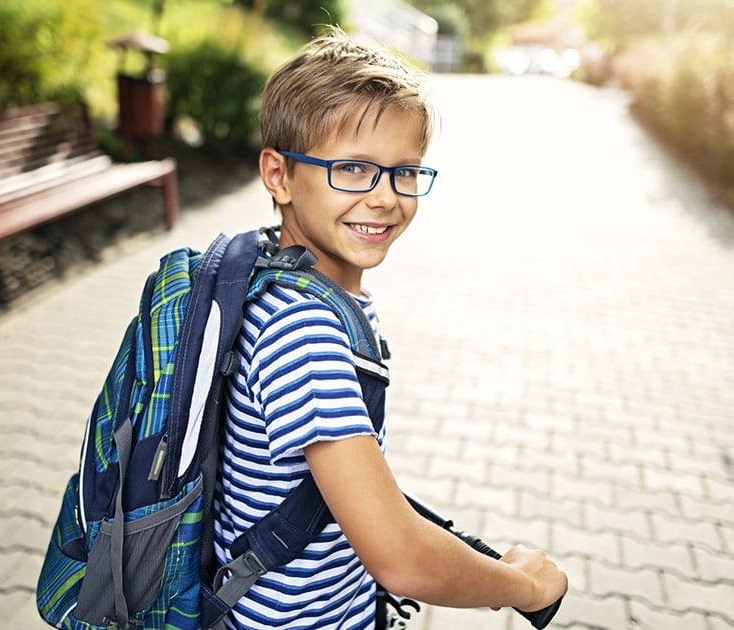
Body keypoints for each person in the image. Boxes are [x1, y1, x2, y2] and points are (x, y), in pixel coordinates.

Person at [212, 28, 568, 628]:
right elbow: (399, 559)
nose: (384, 197)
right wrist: (524, 588)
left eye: (404, 172)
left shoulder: (280, 283)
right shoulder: (304, 333)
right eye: (353, 168)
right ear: (278, 175)